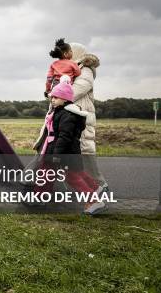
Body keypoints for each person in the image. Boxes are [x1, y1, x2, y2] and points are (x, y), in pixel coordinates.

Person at [34, 42, 108, 189]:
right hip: (64, 114)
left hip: (77, 116)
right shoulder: (67, 68)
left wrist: (55, 93)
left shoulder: (85, 70)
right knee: (56, 151)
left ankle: (99, 185)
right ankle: (46, 186)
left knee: (83, 155)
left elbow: (73, 92)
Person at [36, 77, 106, 215]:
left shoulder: (67, 115)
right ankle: (95, 189)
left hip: (65, 152)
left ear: (65, 98)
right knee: (70, 173)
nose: (53, 100)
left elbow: (64, 137)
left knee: (72, 177)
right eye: (52, 97)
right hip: (67, 151)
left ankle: (94, 201)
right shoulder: (62, 112)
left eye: (56, 97)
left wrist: (56, 154)